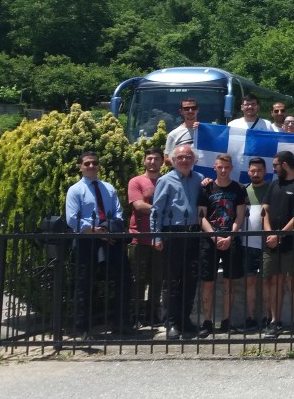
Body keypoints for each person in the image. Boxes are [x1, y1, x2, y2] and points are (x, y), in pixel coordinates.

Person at [66, 151, 132, 338]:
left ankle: (121, 325)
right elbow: (72, 219)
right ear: (80, 166)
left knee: (124, 279)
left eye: (94, 163)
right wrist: (95, 231)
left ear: (99, 166)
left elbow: (118, 214)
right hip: (86, 241)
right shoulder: (75, 190)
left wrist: (107, 230)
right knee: (84, 284)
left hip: (110, 239)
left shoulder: (108, 188)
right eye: (87, 163)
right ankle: (82, 329)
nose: (91, 166)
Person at [151, 144, 205, 340]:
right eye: (180, 157)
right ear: (173, 161)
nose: (184, 160)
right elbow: (156, 210)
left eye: (188, 157)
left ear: (194, 160)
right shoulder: (165, 180)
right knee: (172, 280)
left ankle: (185, 319)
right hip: (173, 234)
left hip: (193, 234)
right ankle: (171, 322)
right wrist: (156, 236)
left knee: (191, 279)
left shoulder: (199, 179)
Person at [262, 150, 294, 337]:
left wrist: (280, 235)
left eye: (275, 165)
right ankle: (274, 321)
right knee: (274, 281)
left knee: (293, 281)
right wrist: (270, 233)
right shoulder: (274, 184)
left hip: (293, 242)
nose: (274, 169)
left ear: (284, 164)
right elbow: (265, 210)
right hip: (271, 242)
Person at [198, 153, 246, 336]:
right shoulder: (206, 188)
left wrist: (230, 237)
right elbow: (201, 216)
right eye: (220, 167)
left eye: (226, 167)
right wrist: (214, 237)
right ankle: (207, 321)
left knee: (229, 282)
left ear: (231, 168)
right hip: (210, 240)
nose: (223, 170)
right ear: (215, 168)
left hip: (231, 239)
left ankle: (226, 321)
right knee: (208, 282)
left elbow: (240, 215)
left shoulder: (238, 188)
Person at [127, 148, 163, 327]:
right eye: (149, 158)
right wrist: (162, 209)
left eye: (156, 159)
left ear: (162, 161)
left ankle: (152, 313)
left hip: (160, 238)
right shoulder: (136, 181)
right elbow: (139, 205)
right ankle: (135, 315)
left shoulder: (166, 180)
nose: (152, 162)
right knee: (138, 279)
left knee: (157, 279)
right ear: (144, 161)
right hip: (139, 237)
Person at [239, 157, 269, 333]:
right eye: (253, 171)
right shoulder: (242, 190)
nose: (256, 174)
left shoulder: (271, 189)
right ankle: (250, 318)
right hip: (247, 244)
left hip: (267, 243)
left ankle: (266, 318)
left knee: (267, 282)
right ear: (248, 172)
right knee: (249, 281)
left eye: (259, 170)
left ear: (265, 172)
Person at [164, 98, 199, 163]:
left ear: (197, 110)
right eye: (186, 109)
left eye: (193, 108)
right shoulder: (173, 134)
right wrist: (184, 161)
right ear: (181, 111)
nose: (190, 111)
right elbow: (166, 160)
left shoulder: (208, 132)